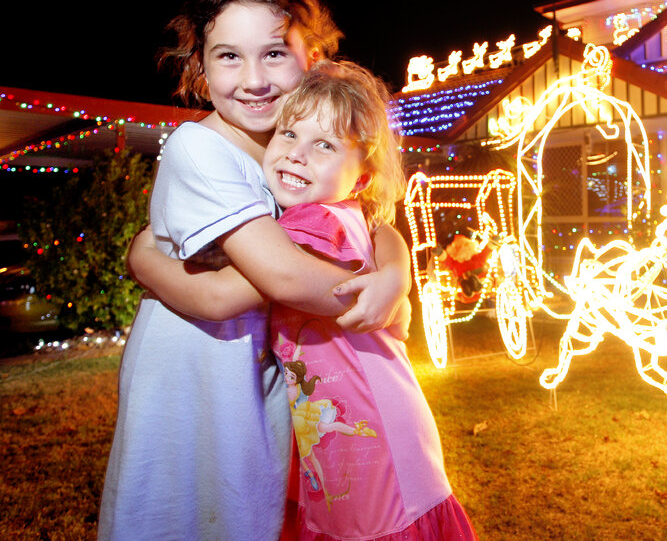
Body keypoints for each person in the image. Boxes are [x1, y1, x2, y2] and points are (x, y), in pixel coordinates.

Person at [99, 0, 411, 541]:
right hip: (193, 386)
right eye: (229, 57)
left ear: (312, 58)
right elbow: (261, 285)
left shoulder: (298, 148)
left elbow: (369, 220)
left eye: (274, 53)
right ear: (201, 67)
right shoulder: (201, 148)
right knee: (186, 516)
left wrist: (395, 274)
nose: (254, 80)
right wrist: (140, 256)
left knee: (251, 517)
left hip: (260, 377)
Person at [137, 61, 478, 539]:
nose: (298, 154)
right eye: (289, 133)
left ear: (360, 180)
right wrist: (398, 273)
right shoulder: (344, 215)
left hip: (371, 447)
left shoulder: (308, 225)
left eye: (324, 145)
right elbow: (385, 231)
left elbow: (215, 297)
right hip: (375, 433)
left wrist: (143, 259)